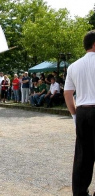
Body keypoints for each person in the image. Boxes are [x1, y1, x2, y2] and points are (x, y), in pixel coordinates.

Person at [64, 30, 95, 196]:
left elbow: (68, 93)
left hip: (82, 110)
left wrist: (75, 114)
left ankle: (80, 192)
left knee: (83, 155)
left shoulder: (73, 66)